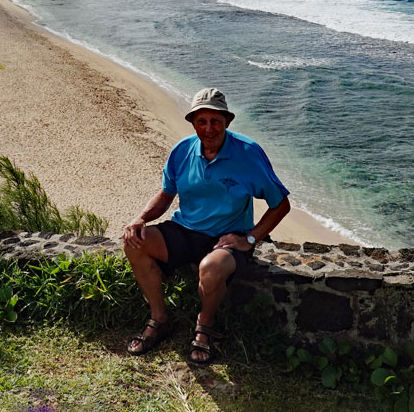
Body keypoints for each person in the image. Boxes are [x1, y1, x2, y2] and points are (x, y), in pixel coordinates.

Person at [122, 88, 290, 365]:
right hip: (186, 230)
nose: (209, 128)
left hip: (227, 238)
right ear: (192, 122)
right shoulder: (182, 151)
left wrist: (250, 238)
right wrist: (140, 218)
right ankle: (160, 318)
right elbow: (166, 195)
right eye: (202, 121)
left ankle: (205, 325)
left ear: (227, 122)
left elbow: (280, 205)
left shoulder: (248, 154)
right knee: (134, 241)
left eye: (215, 121)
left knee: (210, 270)